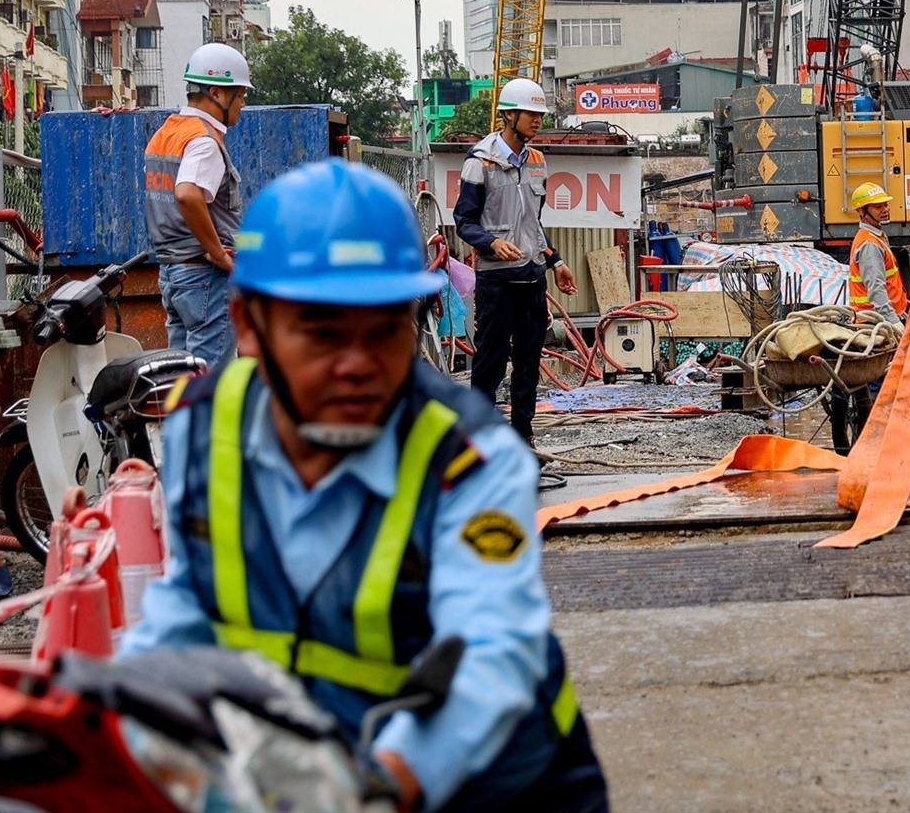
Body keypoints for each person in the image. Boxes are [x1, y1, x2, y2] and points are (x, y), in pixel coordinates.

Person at [123, 161, 607, 813]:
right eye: (321, 335)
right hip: (323, 768)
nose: (357, 367)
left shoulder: (468, 458)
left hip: (490, 786)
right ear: (247, 325)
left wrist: (380, 784)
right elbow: (189, 603)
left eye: (385, 332)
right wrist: (116, 716)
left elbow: (493, 652)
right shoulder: (204, 428)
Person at [454, 77, 577, 442]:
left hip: (532, 280)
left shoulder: (537, 161)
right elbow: (464, 222)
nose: (537, 121)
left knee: (528, 365)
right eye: (531, 114)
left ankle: (523, 440)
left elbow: (532, 224)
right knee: (490, 365)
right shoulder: (480, 161)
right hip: (497, 283)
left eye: (540, 114)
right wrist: (491, 243)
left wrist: (555, 261)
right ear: (509, 115)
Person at [144, 43, 251, 371]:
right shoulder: (204, 141)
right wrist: (217, 253)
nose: (243, 104)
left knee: (178, 379)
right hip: (205, 277)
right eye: (240, 95)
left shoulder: (168, 132)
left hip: (173, 273)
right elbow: (188, 194)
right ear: (218, 94)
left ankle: (178, 425)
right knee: (208, 383)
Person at [846, 182, 908, 327]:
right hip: (875, 321)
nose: (885, 210)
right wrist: (894, 322)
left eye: (885, 205)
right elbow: (876, 289)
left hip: (878, 318)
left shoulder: (875, 237)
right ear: (862, 211)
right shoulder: (869, 244)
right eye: (878, 207)